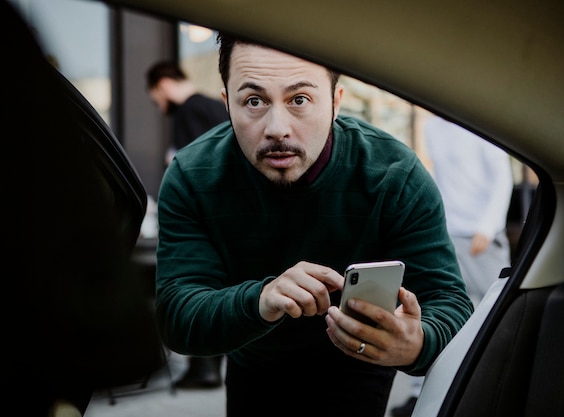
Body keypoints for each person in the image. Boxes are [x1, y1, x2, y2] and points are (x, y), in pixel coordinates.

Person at [155, 33, 474, 417]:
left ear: (336, 103)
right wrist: (261, 299)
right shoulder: (192, 175)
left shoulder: (394, 174)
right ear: (227, 104)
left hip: (359, 364)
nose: (277, 128)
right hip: (253, 363)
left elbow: (450, 302)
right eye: (253, 101)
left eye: (299, 100)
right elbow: (176, 314)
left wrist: (418, 343)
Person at [390, 115, 513, 417]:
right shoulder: (432, 127)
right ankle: (421, 395)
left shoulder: (479, 124)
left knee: (498, 312)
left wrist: (487, 227)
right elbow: (442, 179)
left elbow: (503, 179)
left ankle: (501, 386)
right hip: (447, 233)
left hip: (482, 237)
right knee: (436, 312)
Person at [146, 60, 229, 388]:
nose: (158, 105)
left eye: (155, 97)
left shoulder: (187, 111)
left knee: (199, 286)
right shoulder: (212, 106)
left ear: (163, 84)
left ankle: (204, 370)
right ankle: (207, 369)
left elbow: (193, 166)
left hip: (205, 217)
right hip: (226, 215)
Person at [146, 60, 229, 165]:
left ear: (164, 85)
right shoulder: (215, 105)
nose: (162, 110)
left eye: (157, 102)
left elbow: (196, 162)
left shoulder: (187, 111)